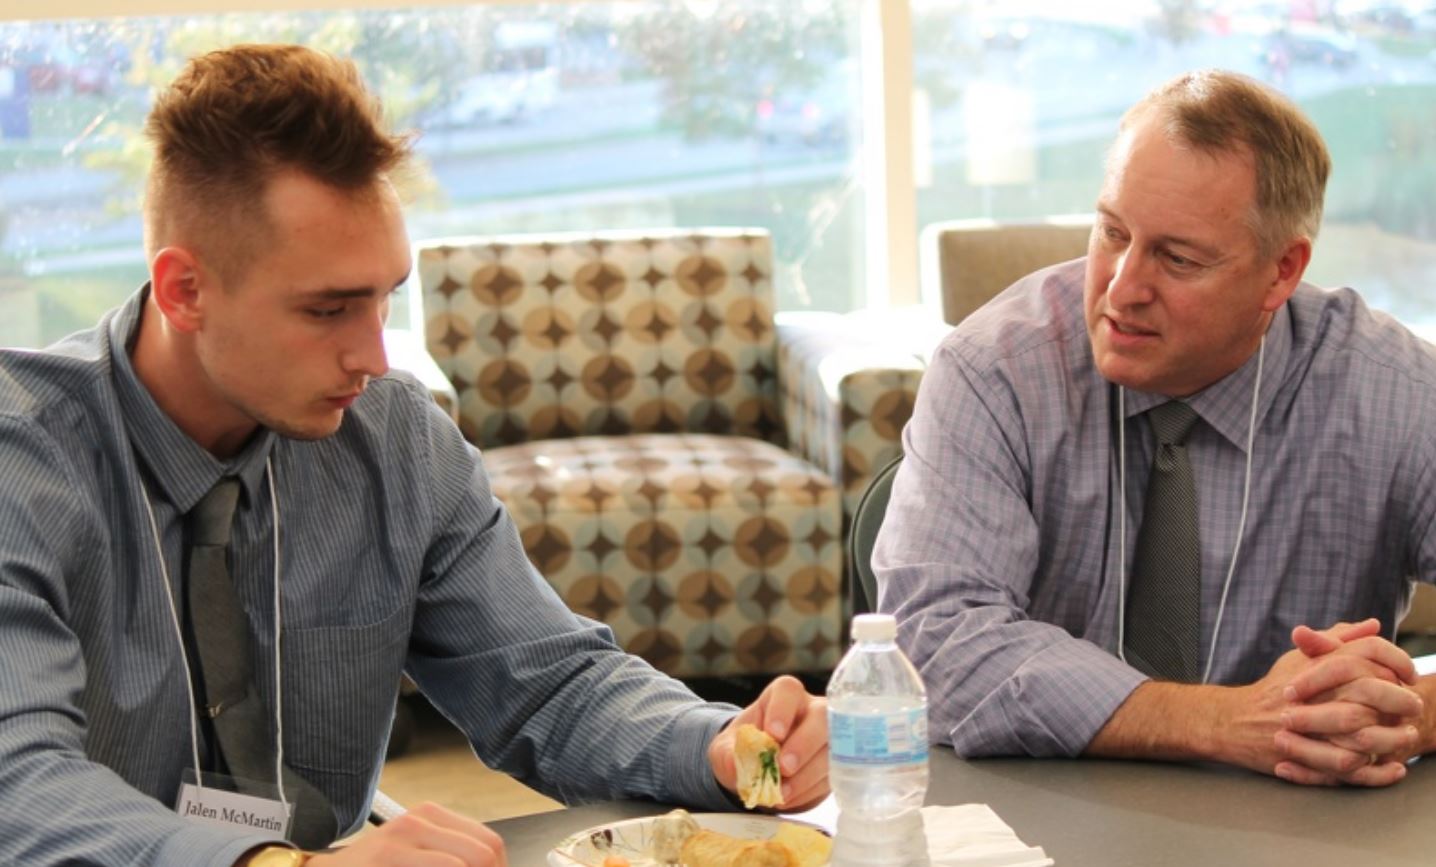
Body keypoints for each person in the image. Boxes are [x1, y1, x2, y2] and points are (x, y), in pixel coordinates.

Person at [0, 44, 828, 866]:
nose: (375, 357)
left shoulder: (394, 441)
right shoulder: (22, 463)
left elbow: (546, 682)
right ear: (185, 290)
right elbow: (20, 780)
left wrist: (719, 743)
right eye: (328, 309)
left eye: (384, 298)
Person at [878, 69, 1435, 788]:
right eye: (1112, 231)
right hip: (1035, 811)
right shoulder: (995, 371)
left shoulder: (1393, 389)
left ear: (1282, 271)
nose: (1121, 288)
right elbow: (931, 644)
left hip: (1304, 825)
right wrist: (1227, 722)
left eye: (1177, 258)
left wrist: (1407, 712)